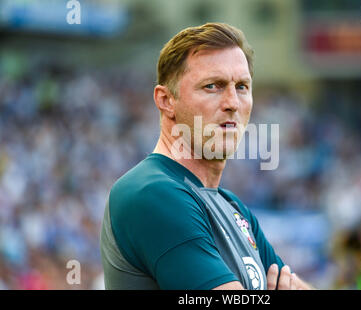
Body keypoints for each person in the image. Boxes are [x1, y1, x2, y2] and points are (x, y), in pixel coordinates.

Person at [100, 22, 312, 290]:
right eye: (213, 86)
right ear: (166, 100)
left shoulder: (232, 206)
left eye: (242, 87)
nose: (232, 102)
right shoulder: (150, 193)